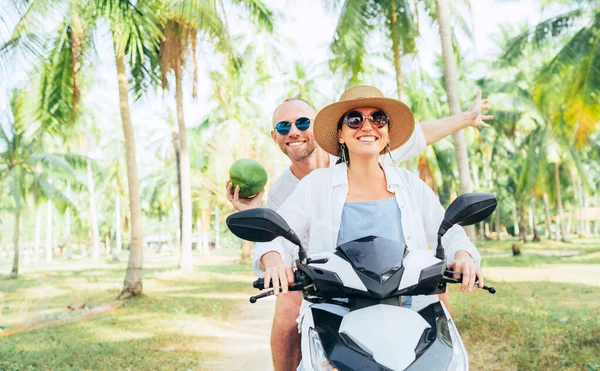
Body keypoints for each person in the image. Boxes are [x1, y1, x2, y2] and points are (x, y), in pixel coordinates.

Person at [227, 88, 492, 371]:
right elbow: (277, 234)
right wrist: (275, 263)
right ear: (340, 134)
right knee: (289, 310)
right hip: (336, 312)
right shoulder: (314, 185)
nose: (367, 126)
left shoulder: (409, 184)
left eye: (378, 119)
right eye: (354, 119)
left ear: (388, 133)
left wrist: (463, 255)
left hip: (409, 307)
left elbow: (449, 232)